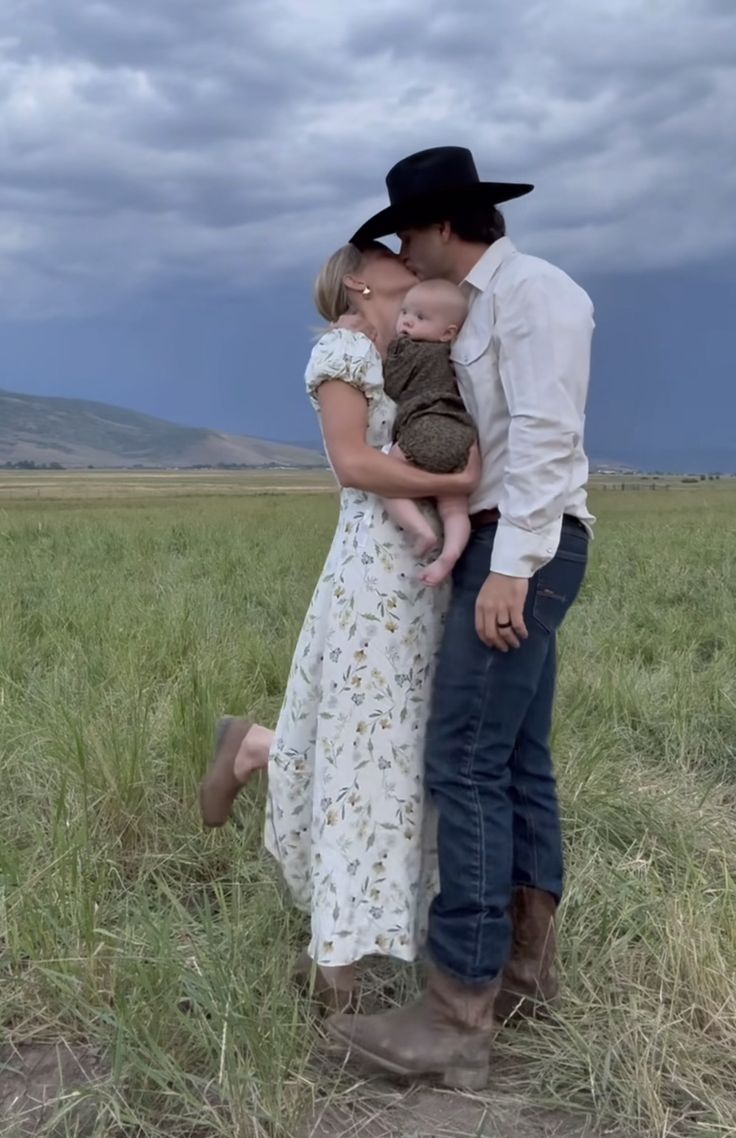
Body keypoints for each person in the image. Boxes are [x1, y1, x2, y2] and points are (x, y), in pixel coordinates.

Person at [327, 146, 595, 1090]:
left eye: (407, 229)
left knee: (464, 759)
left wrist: (509, 568)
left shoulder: (538, 297)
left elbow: (549, 442)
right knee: (518, 755)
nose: (402, 246)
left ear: (442, 227)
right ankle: (522, 974)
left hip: (523, 543)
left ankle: (457, 1013)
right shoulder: (483, 305)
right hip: (507, 542)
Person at [198, 239, 480, 1013]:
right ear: (358, 280)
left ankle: (256, 746)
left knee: (395, 747)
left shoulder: (409, 349)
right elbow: (353, 463)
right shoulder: (342, 352)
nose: (404, 258)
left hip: (422, 581)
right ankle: (338, 977)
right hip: (373, 575)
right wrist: (453, 480)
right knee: (367, 759)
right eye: (385, 254)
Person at [380, 278, 477, 587]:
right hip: (460, 432)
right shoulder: (451, 354)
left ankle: (420, 530)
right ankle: (450, 554)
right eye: (405, 312)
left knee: (389, 480)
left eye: (420, 317)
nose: (407, 320)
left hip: (425, 425)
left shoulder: (408, 350)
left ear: (448, 332)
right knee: (454, 506)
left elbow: (393, 385)